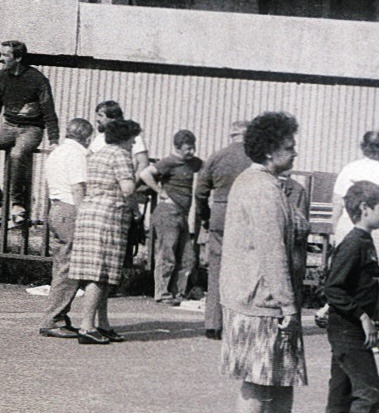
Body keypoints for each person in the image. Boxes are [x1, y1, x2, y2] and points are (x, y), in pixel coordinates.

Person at [219, 112, 309, 413]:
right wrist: (288, 304)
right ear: (271, 151)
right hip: (259, 299)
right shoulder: (261, 188)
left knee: (282, 376)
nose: (296, 153)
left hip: (268, 296)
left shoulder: (268, 184)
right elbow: (272, 250)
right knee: (257, 378)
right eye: (289, 147)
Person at [316, 181, 379, 413]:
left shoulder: (364, 240)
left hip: (347, 328)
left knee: (342, 396)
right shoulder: (354, 243)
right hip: (348, 330)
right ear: (365, 209)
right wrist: (362, 317)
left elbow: (360, 286)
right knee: (371, 393)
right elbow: (333, 287)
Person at [64, 118, 142, 344]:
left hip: (90, 214)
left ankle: (103, 324)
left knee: (101, 274)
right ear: (124, 137)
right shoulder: (120, 155)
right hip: (109, 217)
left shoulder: (97, 154)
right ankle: (87, 326)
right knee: (99, 274)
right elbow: (127, 189)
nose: (134, 142)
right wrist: (137, 212)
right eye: (132, 138)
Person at [332, 131, 379, 306]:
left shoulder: (349, 168)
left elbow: (337, 203)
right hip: (377, 230)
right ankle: (372, 315)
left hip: (347, 226)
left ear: (363, 147)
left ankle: (342, 310)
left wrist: (336, 232)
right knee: (375, 276)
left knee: (346, 272)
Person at [37, 118, 93, 338]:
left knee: (61, 264)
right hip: (71, 209)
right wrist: (84, 215)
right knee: (69, 267)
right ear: (87, 137)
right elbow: (78, 187)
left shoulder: (57, 153)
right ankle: (54, 318)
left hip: (57, 208)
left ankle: (58, 315)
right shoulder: (78, 154)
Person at [196, 120, 251, 340]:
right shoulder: (254, 158)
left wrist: (207, 215)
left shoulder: (216, 157)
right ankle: (237, 322)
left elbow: (200, 191)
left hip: (220, 213)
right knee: (244, 269)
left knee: (217, 270)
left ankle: (213, 324)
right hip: (246, 215)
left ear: (232, 135)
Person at [1, 40, 58, 226]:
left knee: (18, 154)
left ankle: (17, 205)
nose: (1, 59)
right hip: (8, 125)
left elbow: (49, 111)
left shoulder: (38, 80)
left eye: (5, 55)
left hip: (31, 129)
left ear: (18, 58)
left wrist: (54, 140)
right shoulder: (2, 76)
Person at [148, 129, 202, 304]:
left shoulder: (192, 162)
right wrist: (160, 192)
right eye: (187, 148)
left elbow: (207, 166)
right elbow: (145, 174)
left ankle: (179, 292)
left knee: (188, 256)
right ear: (178, 148)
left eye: (192, 147)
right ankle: (162, 293)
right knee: (167, 254)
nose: (191, 151)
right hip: (168, 212)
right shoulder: (169, 162)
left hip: (182, 215)